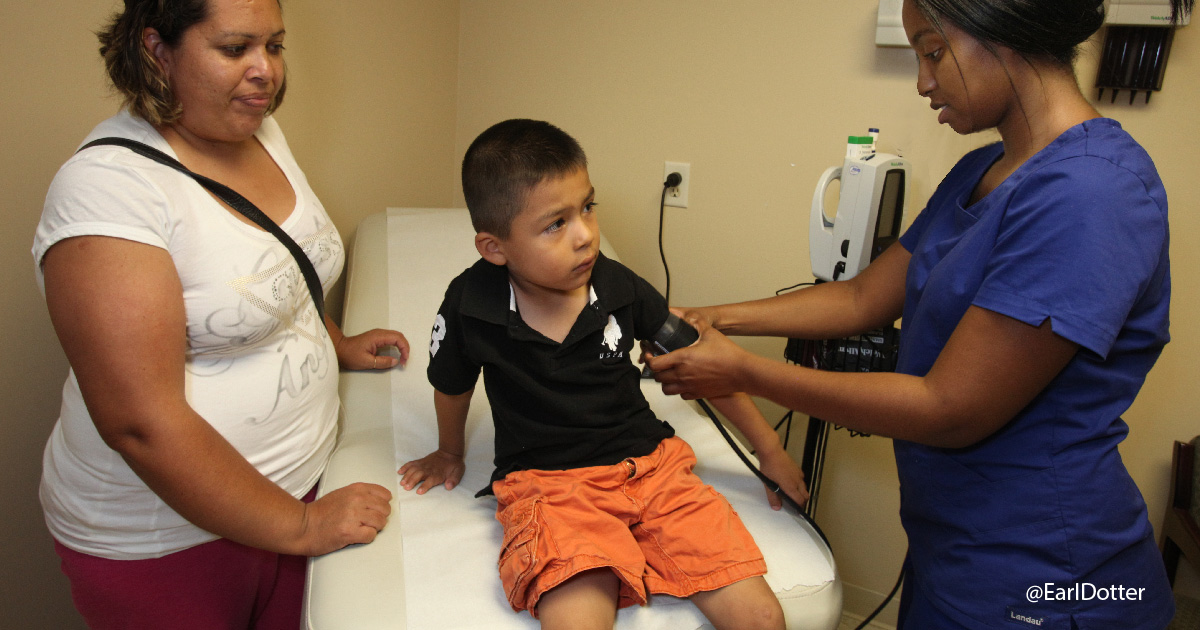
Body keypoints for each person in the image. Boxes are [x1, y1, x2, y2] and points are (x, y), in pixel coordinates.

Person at [646, 0, 1192, 628]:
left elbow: (950, 409)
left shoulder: (1089, 194)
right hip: (958, 549)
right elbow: (860, 299)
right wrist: (715, 317)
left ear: (1004, 31)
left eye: (933, 51)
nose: (922, 80)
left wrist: (744, 373)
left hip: (1051, 576)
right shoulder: (982, 169)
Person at [31, 0, 409, 627]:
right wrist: (303, 524)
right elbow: (139, 424)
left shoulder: (255, 129)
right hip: (166, 543)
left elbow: (274, 271)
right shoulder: (108, 191)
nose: (266, 71)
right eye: (236, 50)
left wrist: (334, 341)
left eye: (276, 46)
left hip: (300, 489)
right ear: (157, 51)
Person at [398, 119, 805, 630]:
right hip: (553, 490)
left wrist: (769, 450)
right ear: (495, 248)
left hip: (652, 472)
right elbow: (452, 384)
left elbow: (703, 363)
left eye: (587, 208)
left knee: (763, 619)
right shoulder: (472, 305)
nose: (586, 235)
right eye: (555, 224)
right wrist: (449, 451)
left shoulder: (618, 286)